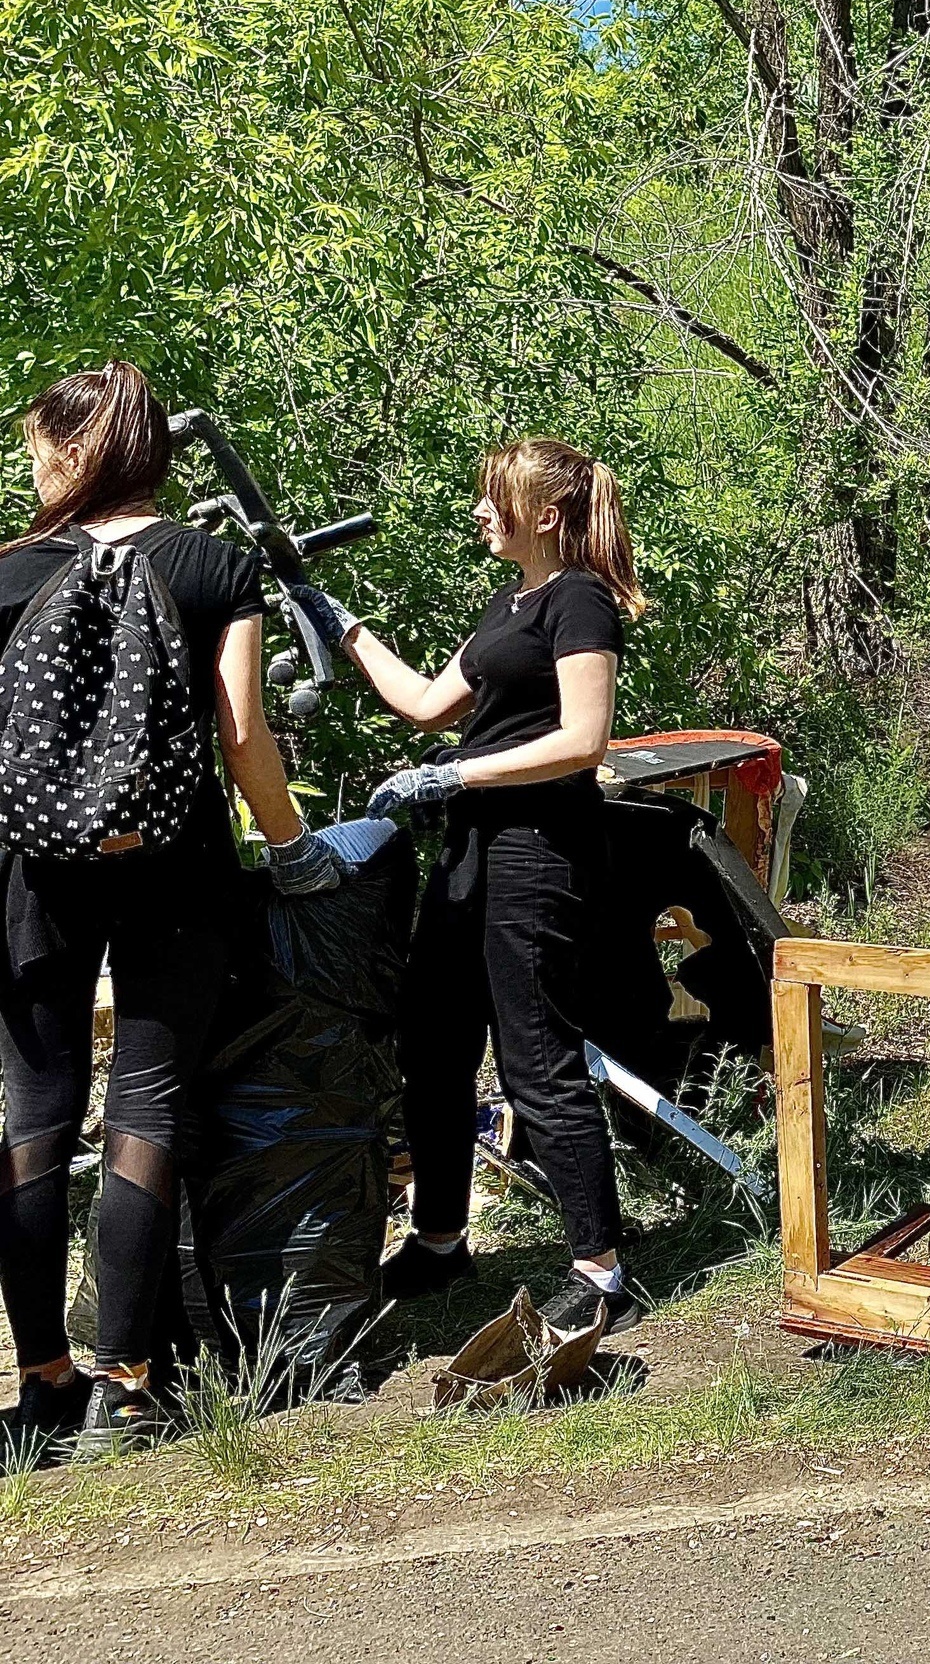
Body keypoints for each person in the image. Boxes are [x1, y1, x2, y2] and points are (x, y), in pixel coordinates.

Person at [0, 362, 339, 1460]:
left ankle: (41, 1378)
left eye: (38, 447)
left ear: (74, 450)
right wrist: (291, 850)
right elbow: (243, 736)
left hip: (27, 875)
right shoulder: (213, 566)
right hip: (174, 870)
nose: (30, 465)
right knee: (146, 1108)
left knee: (33, 1113)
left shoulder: (7, 576)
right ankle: (125, 1388)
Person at [295, 438, 645, 1336]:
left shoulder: (579, 601)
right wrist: (341, 628)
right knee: (434, 1042)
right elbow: (422, 703)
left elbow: (583, 740)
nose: (480, 513)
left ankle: (599, 1268)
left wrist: (455, 777)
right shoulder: (511, 602)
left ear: (547, 514)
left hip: (538, 851)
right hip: (472, 853)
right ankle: (442, 1237)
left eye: (495, 499)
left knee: (536, 1059)